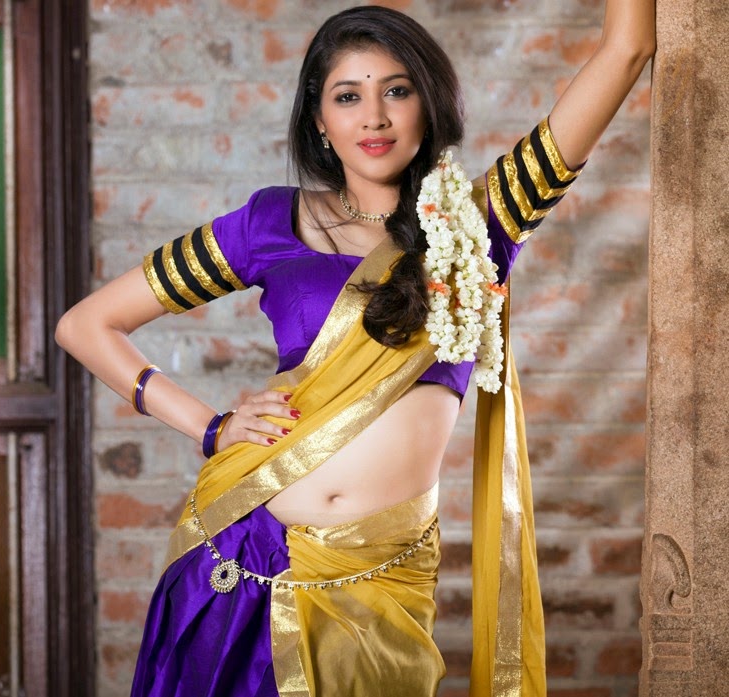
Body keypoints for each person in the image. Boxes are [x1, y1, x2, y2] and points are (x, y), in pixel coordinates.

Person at [57, 2, 655, 695]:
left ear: (428, 103)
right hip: (244, 552)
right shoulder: (271, 224)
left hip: (382, 578)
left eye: (396, 90)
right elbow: (86, 326)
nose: (374, 117)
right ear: (319, 119)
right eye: (348, 96)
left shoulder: (480, 221)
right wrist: (211, 427)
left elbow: (627, 48)